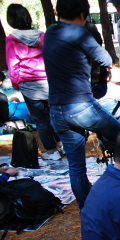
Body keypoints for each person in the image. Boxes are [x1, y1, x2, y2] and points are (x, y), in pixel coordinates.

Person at [43, 0, 120, 209]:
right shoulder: (79, 33)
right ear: (82, 14)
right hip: (80, 106)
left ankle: (88, 214)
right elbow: (105, 58)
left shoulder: (50, 32)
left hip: (56, 110)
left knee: (76, 169)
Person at [6, 4, 63, 161]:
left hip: (29, 86)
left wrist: (16, 85)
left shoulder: (11, 40)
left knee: (40, 120)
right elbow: (51, 57)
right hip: (48, 82)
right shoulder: (42, 36)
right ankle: (61, 144)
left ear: (11, 20)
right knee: (54, 115)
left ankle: (52, 151)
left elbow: (12, 65)